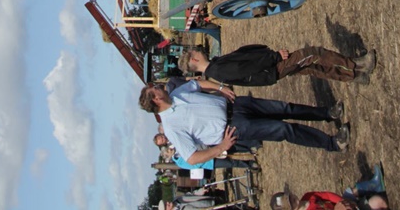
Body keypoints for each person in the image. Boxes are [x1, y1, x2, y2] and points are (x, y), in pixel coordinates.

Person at [140, 80, 349, 164]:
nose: (159, 86)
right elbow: (192, 158)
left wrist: (220, 88)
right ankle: (333, 143)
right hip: (234, 128)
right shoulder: (171, 127)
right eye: (155, 88)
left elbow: (197, 83)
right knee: (283, 129)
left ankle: (328, 113)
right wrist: (220, 147)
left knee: (285, 108)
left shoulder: (177, 93)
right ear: (156, 99)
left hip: (237, 104)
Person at [180, 45, 375, 87]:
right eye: (194, 52)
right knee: (312, 53)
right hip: (271, 68)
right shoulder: (217, 70)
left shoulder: (215, 66)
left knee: (309, 68)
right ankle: (358, 64)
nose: (198, 51)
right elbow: (246, 68)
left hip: (270, 69)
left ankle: (354, 77)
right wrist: (274, 58)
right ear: (194, 60)